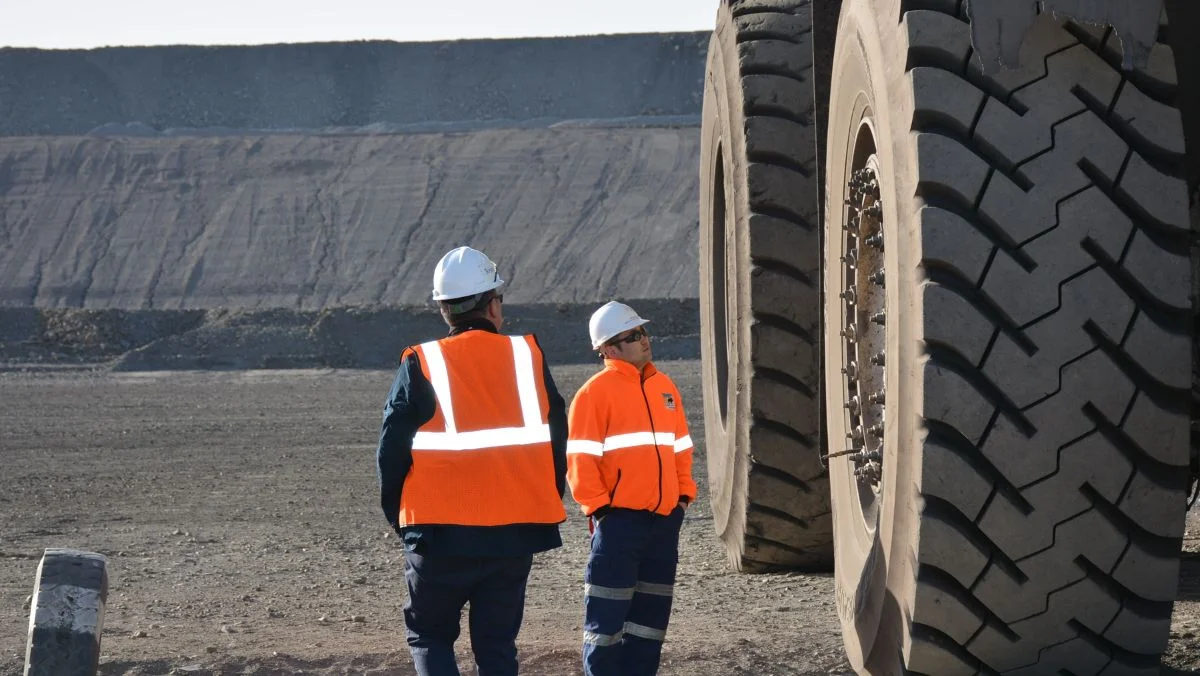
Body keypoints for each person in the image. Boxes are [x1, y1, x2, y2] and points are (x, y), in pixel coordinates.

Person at [375, 245, 568, 676]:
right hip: (515, 533)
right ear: (493, 305)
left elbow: (392, 447)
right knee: (497, 645)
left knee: (430, 636)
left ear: (445, 310)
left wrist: (398, 517)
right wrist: (543, 498)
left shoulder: (421, 361)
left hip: (439, 535)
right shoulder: (528, 357)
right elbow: (557, 433)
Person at [565, 300, 698, 676]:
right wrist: (601, 511)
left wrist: (683, 498)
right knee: (606, 624)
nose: (645, 340)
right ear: (608, 348)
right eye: (633, 335)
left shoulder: (665, 386)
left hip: (663, 524)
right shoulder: (594, 394)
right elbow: (580, 460)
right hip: (618, 525)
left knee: (649, 626)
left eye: (643, 332)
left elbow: (681, 449)